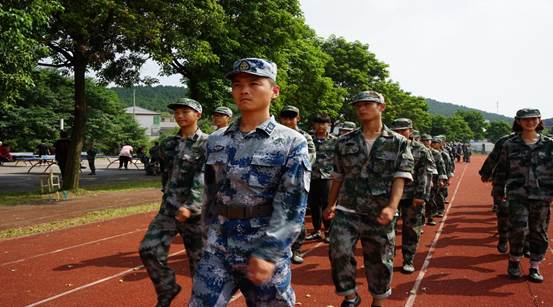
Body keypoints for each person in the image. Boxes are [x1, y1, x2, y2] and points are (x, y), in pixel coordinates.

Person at [189, 58, 311, 306]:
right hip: (218, 243)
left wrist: (268, 252)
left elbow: (292, 204)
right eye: (237, 84)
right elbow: (209, 193)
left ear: (274, 91)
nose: (244, 90)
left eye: (254, 83)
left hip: (263, 243)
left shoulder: (291, 141)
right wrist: (207, 234)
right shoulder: (215, 140)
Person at [324, 90, 414, 307]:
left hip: (379, 211)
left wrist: (392, 207)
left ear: (381, 107)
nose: (361, 108)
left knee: (380, 261)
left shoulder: (399, 142)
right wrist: (330, 204)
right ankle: (351, 296)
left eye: (367, 104)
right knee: (338, 252)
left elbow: (400, 177)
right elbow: (337, 176)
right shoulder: (345, 141)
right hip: (347, 209)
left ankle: (378, 301)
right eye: (358, 105)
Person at [139, 98, 208, 307]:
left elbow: (204, 176)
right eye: (177, 112)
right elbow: (164, 172)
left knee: (199, 264)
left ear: (198, 115)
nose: (180, 116)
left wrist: (191, 206)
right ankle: (167, 288)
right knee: (148, 249)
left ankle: (201, 302)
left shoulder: (208, 143)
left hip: (196, 214)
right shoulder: (168, 144)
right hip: (169, 209)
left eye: (185, 111)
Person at [494, 108, 553, 282]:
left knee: (539, 232)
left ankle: (535, 266)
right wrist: (498, 195)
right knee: (518, 229)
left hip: (542, 197)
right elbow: (501, 171)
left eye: (534, 119)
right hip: (517, 195)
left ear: (539, 121)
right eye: (525, 119)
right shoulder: (509, 145)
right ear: (518, 122)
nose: (530, 122)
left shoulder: (549, 145)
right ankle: (514, 261)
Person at [390, 118, 432, 274]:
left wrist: (421, 195)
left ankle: (408, 259)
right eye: (396, 130)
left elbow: (425, 175)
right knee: (386, 229)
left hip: (411, 196)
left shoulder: (421, 150)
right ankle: (388, 257)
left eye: (403, 130)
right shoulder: (384, 148)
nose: (400, 133)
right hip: (389, 195)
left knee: (411, 229)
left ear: (411, 131)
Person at [278, 105, 316, 264]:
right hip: (275, 184)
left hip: (296, 183)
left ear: (298, 118)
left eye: (291, 118)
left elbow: (311, 157)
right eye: (285, 118)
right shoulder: (273, 134)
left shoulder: (305, 137)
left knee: (296, 218)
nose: (288, 121)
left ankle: (296, 249)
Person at [305, 114, 335, 244]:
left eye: (324, 124)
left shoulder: (335, 140)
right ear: (314, 125)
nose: (321, 127)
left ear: (329, 125)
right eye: (318, 123)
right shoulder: (308, 140)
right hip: (312, 176)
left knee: (327, 204)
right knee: (314, 205)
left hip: (328, 177)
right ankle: (317, 230)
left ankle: (329, 230)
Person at [420, 135, 448, 227]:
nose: (426, 142)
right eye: (424, 140)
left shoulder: (436, 153)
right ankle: (421, 221)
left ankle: (430, 217)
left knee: (431, 198)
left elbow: (441, 166)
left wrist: (442, 179)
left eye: (428, 140)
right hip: (420, 178)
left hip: (433, 178)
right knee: (421, 199)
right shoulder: (418, 150)